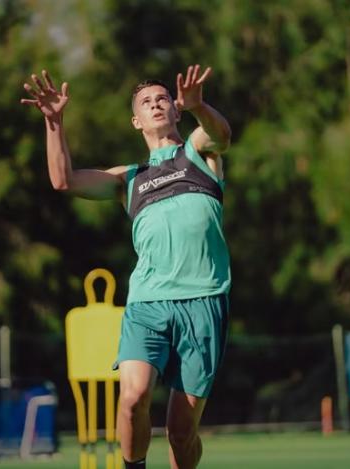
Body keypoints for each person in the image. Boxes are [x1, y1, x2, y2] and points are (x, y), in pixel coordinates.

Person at [21, 64, 231, 469]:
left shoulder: (198, 151)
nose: (156, 104)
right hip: (148, 303)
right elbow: (64, 180)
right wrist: (54, 122)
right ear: (136, 121)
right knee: (132, 398)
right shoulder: (129, 178)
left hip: (204, 301)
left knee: (180, 433)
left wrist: (199, 107)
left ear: (175, 109)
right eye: (146, 102)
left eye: (163, 98)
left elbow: (222, 135)